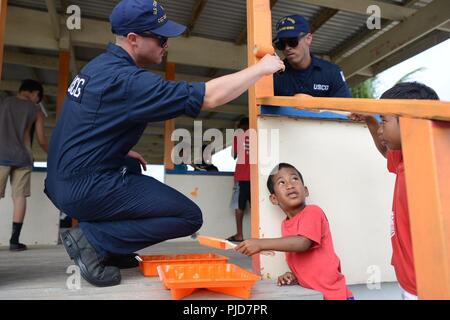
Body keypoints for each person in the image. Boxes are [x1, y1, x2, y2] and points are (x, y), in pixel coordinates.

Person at [44, 0, 285, 287]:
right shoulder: (128, 81)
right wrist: (260, 69)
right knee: (187, 216)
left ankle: (111, 247)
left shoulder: (97, 67)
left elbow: (81, 124)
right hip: (82, 187)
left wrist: (117, 150)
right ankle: (94, 241)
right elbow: (208, 97)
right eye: (160, 38)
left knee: (132, 167)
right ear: (133, 39)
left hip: (61, 181)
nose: (166, 45)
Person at [349, 82, 440, 300]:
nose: (381, 128)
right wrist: (371, 122)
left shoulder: (427, 171)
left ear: (409, 122)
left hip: (427, 287)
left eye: (384, 120)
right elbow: (386, 150)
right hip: (407, 277)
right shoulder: (407, 155)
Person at [235, 163, 353, 300]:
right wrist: (295, 276)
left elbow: (303, 243)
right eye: (281, 182)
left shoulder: (312, 212)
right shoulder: (285, 225)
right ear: (274, 199)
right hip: (315, 295)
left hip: (336, 296)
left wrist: (260, 244)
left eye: (294, 179)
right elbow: (305, 260)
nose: (290, 185)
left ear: (306, 190)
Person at [0, 79, 49, 251]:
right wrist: (53, 155)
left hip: (1, 154)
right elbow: (42, 140)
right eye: (39, 97)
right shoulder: (35, 110)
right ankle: (14, 241)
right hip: (23, 157)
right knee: (19, 197)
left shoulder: (5, 103)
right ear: (35, 93)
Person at [273, 15, 351, 98]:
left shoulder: (332, 72)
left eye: (292, 41)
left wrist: (315, 106)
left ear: (308, 38)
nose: (287, 48)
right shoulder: (274, 75)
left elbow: (346, 109)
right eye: (281, 44)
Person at [227, 117, 250, 242]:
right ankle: (259, 234)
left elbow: (234, 155)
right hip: (255, 176)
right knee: (256, 206)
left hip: (242, 175)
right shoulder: (257, 135)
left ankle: (239, 234)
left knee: (239, 206)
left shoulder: (238, 136)